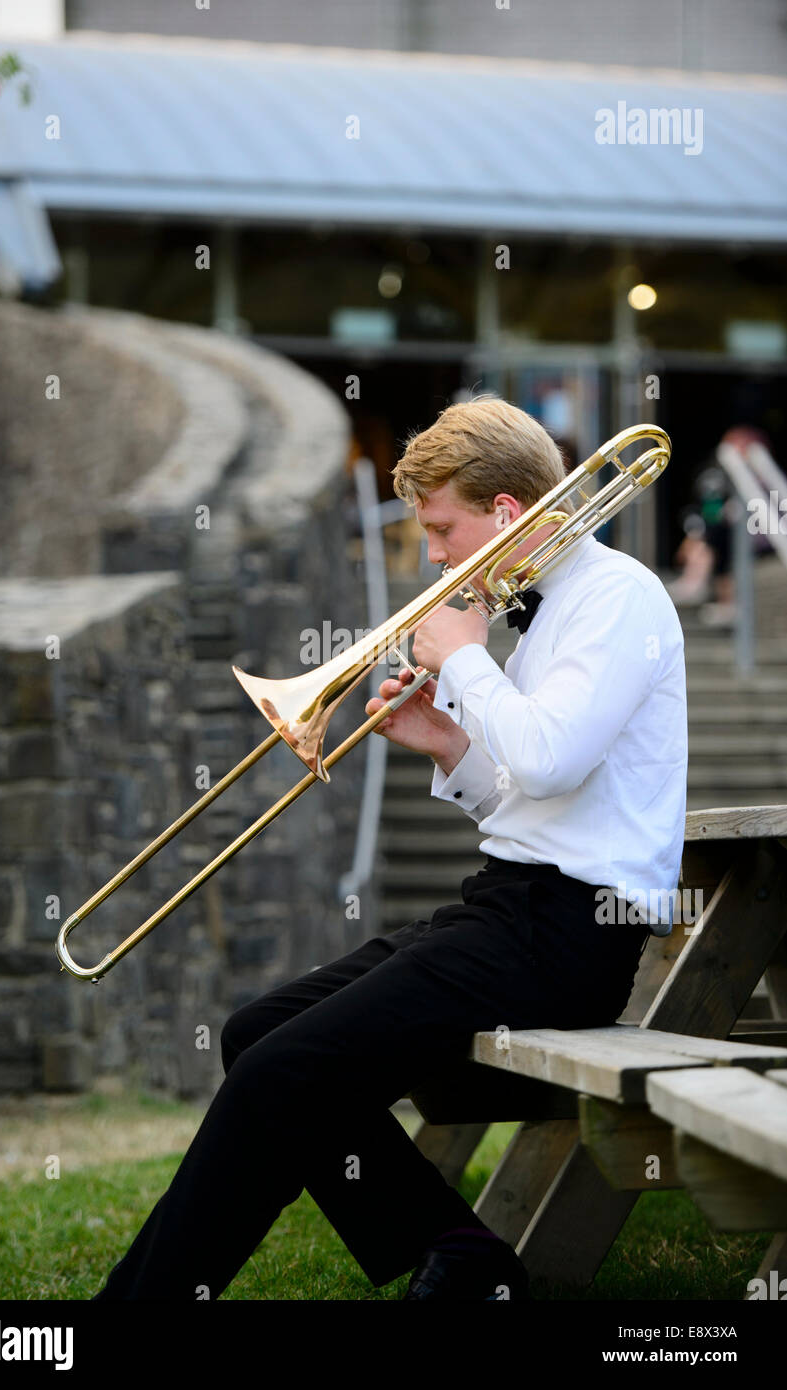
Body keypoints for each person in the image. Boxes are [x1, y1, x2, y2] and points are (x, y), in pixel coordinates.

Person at [90, 396, 688, 1303]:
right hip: (507, 905)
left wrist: (463, 660)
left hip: (568, 936)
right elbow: (526, 794)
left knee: (281, 1076)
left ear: (506, 515)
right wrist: (447, 746)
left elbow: (551, 759)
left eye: (442, 529)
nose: (436, 555)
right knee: (256, 1033)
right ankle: (460, 1251)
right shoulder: (544, 607)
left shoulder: (619, 598)